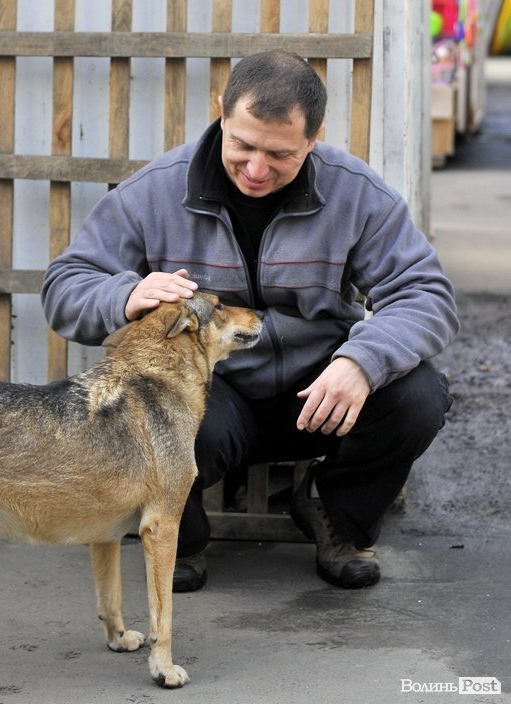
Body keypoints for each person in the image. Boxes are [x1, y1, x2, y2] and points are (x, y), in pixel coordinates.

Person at [42, 51, 458, 593]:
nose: (257, 169)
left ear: (314, 138)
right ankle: (178, 537)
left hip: (320, 391)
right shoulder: (156, 189)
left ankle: (339, 521)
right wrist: (125, 294)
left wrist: (361, 361)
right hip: (214, 396)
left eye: (279, 153)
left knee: (420, 395)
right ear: (220, 113)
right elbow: (64, 285)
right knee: (148, 403)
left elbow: (425, 293)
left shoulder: (358, 194)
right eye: (242, 145)